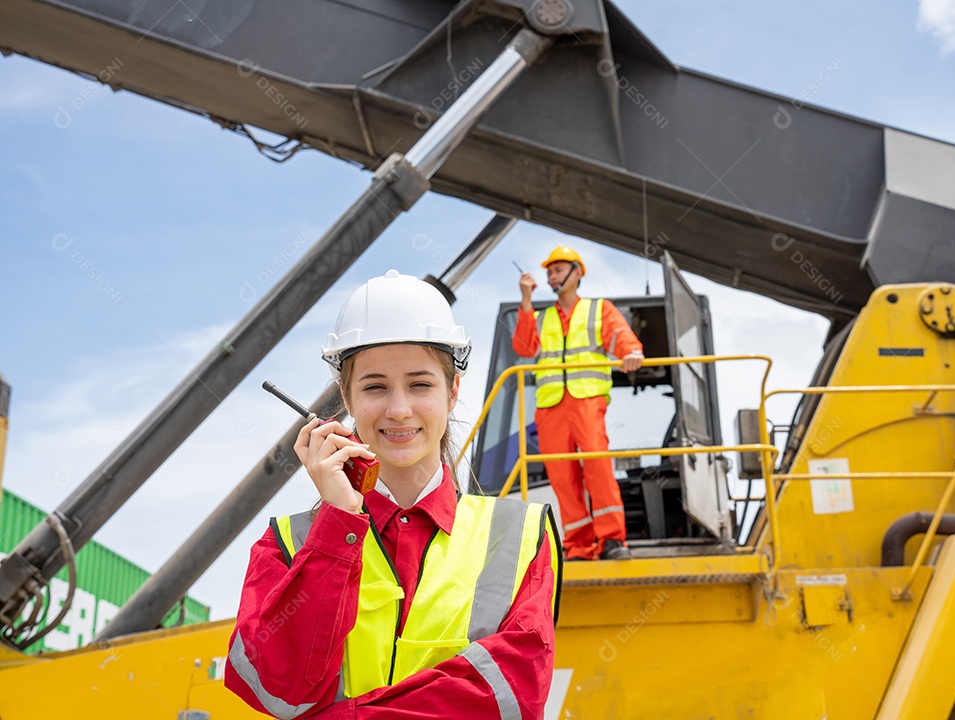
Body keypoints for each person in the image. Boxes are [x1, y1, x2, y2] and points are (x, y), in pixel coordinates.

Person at [226, 270, 562, 719]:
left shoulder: (520, 536)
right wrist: (338, 523)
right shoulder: (285, 544)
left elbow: (510, 697)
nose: (399, 409)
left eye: (420, 384)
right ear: (346, 396)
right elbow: (279, 690)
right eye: (375, 387)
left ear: (452, 392)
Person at [513, 246, 644, 561]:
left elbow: (622, 338)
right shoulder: (540, 317)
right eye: (549, 273)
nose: (552, 277)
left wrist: (632, 352)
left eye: (557, 270)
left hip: (587, 402)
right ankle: (579, 544)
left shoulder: (599, 310)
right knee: (562, 476)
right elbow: (523, 346)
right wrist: (526, 300)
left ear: (577, 272)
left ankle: (612, 540)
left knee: (598, 469)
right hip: (550, 407)